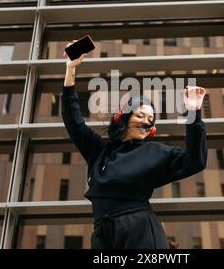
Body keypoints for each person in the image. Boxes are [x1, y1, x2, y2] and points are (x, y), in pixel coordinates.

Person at [61, 40, 207, 249]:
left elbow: (195, 161)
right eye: (140, 114)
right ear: (124, 117)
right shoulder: (100, 151)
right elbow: (73, 121)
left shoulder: (156, 152)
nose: (146, 120)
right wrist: (70, 70)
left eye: (150, 118)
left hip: (138, 230)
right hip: (103, 233)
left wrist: (194, 112)